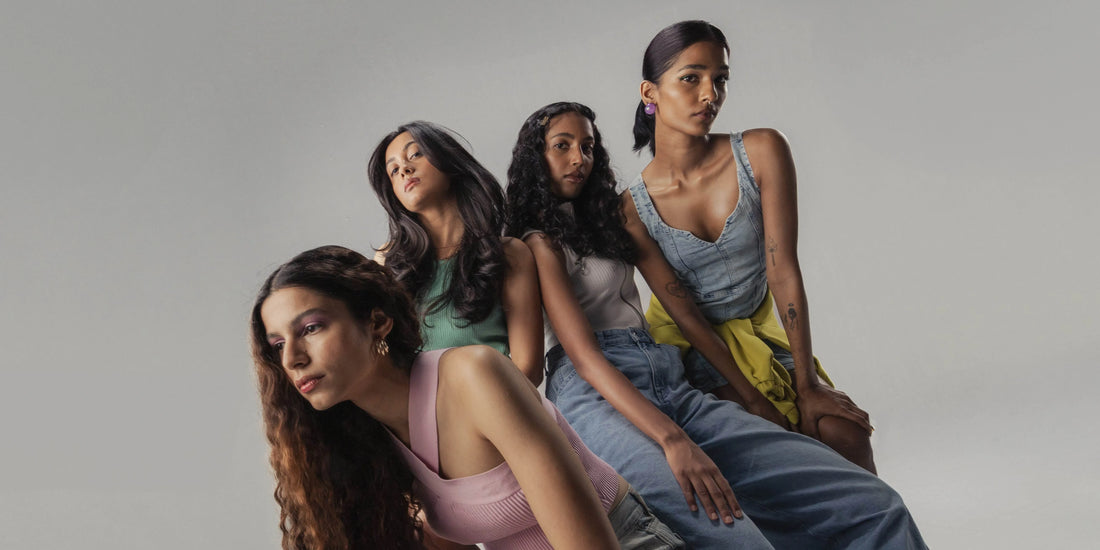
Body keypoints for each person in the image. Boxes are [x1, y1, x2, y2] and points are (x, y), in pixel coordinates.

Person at [504, 101, 925, 549]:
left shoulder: (615, 219)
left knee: (875, 505)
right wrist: (674, 441)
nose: (578, 159)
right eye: (562, 146)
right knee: (740, 541)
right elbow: (587, 360)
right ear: (536, 157)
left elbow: (682, 307)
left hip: (665, 377)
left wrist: (752, 398)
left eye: (587, 147)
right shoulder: (537, 244)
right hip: (596, 396)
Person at [250, 245, 685, 549]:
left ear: (377, 323)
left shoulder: (474, 376)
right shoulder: (364, 447)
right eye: (278, 344)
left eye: (311, 328)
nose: (293, 358)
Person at [627, 20, 876, 472]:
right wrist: (753, 399)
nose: (710, 94)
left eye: (720, 79)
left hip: (761, 332)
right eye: (691, 78)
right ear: (650, 93)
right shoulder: (630, 208)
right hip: (693, 349)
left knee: (845, 432)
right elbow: (685, 315)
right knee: (772, 445)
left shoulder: (761, 151)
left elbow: (783, 271)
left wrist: (808, 385)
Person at [367, 121, 543, 385]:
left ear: (448, 160)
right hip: (417, 407)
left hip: (497, 402)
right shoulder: (387, 261)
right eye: (393, 170)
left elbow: (528, 369)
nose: (404, 169)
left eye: (415, 154)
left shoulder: (509, 253)